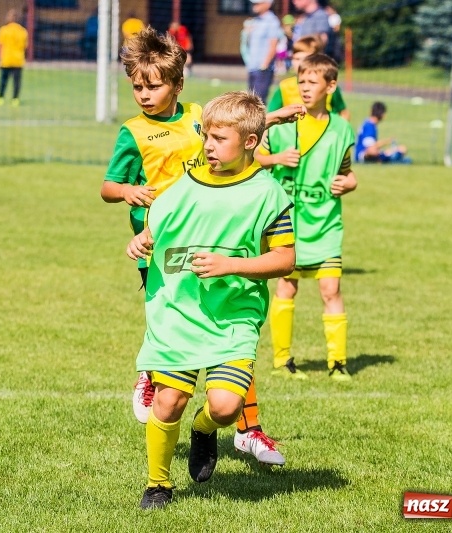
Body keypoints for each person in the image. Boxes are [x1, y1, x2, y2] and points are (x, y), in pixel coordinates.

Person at [101, 27, 303, 468]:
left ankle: (245, 427)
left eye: (153, 86)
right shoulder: (132, 131)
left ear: (177, 83)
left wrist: (270, 118)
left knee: (227, 323)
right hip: (160, 242)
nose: (144, 94)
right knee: (175, 321)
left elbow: (229, 135)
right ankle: (152, 375)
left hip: (213, 232)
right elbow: (107, 186)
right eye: (137, 86)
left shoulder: (196, 116)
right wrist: (128, 193)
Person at [127, 91, 296, 509]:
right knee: (168, 402)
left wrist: (230, 265)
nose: (208, 147)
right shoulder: (184, 186)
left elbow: (286, 259)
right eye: (207, 137)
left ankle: (204, 430)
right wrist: (143, 240)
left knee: (224, 408)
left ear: (250, 142)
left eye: (220, 139)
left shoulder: (268, 195)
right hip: (178, 311)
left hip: (233, 314)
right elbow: (158, 230)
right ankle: (158, 485)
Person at [256, 54, 357, 381]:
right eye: (301, 82)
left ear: (331, 86)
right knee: (287, 287)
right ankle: (282, 361)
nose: (305, 88)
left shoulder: (342, 130)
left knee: (331, 290)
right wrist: (275, 158)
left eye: (312, 82)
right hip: (290, 224)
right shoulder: (284, 125)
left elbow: (347, 171)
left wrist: (350, 182)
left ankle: (337, 363)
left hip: (325, 224)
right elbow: (254, 157)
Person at [267, 35, 349, 120]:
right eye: (296, 59)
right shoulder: (284, 87)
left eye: (304, 59)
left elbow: (343, 113)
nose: (298, 64)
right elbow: (271, 115)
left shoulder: (327, 86)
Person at [245, 0, 283, 103]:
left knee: (258, 101)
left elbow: (273, 44)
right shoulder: (255, 20)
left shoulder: (272, 21)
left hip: (262, 68)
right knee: (249, 101)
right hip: (253, 66)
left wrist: (264, 64)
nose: (254, 5)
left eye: (258, 3)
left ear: (267, 4)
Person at [0, 9, 28, 107]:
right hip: (18, 59)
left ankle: (0, 97)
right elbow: (25, 46)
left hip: (6, 58)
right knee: (17, 81)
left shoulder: (4, 30)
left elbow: (0, 45)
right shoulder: (23, 31)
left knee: (3, 79)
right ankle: (15, 99)